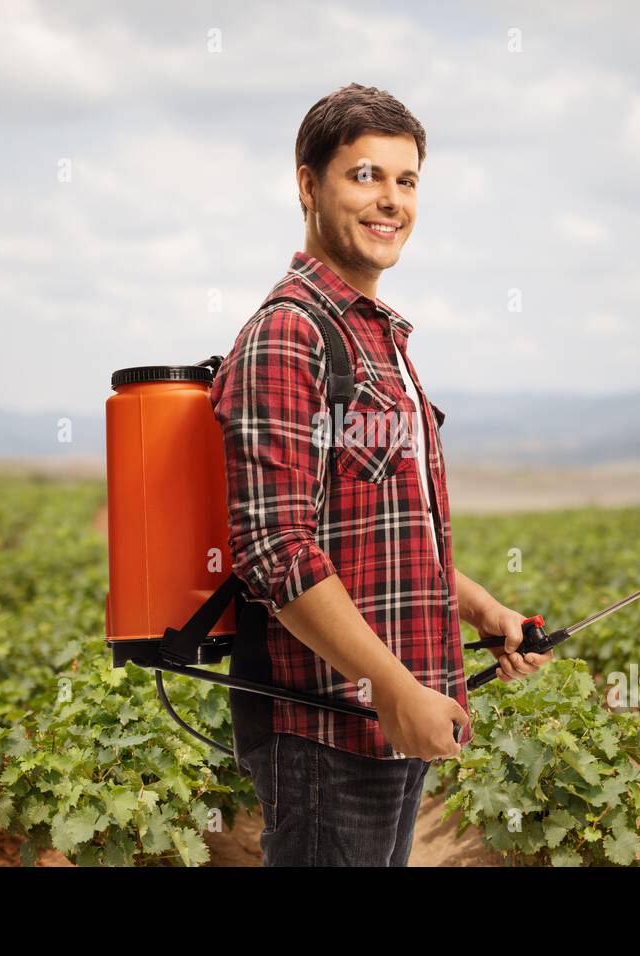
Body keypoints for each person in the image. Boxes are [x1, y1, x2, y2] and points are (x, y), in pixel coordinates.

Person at [210, 82, 552, 867]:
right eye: (366, 176)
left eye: (406, 181)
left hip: (386, 714)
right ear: (308, 185)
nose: (390, 201)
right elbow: (276, 549)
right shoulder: (290, 335)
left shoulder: (379, 340)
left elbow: (385, 535)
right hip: (326, 721)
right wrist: (393, 689)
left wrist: (478, 606)